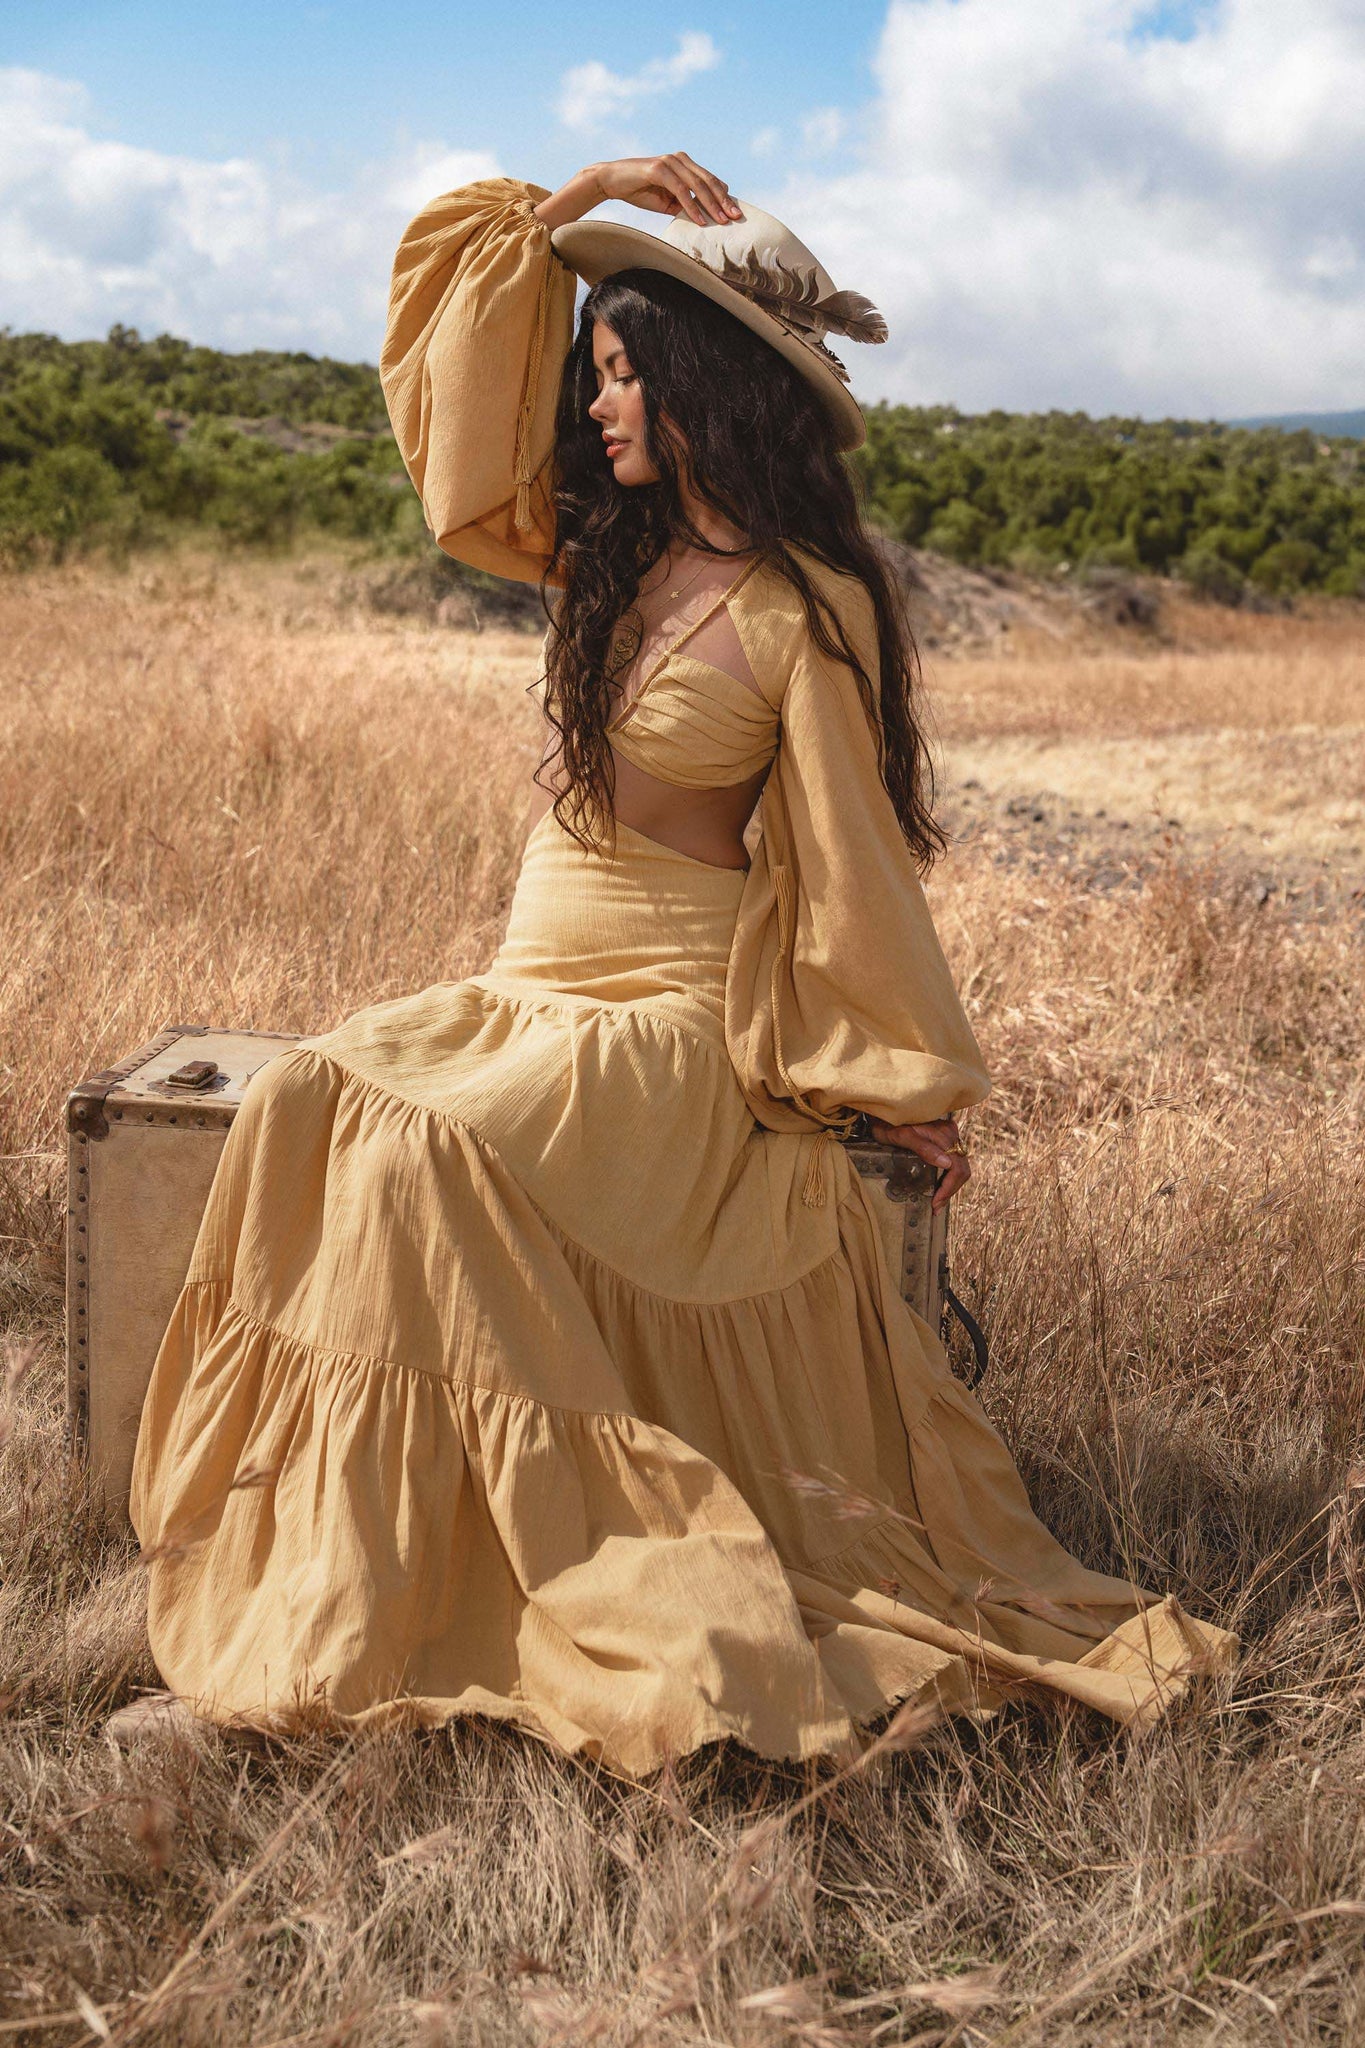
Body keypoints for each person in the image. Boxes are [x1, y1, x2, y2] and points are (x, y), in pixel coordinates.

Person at [121, 153, 1234, 1771]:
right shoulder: (607, 557)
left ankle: (551, 1556)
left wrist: (899, 1082)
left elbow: (853, 870)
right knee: (320, 1090)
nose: (603, 406)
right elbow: (450, 368)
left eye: (631, 371)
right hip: (534, 987)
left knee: (426, 1137)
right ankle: (365, 1559)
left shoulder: (809, 605)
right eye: (597, 372)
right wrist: (578, 195)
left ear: (713, 386)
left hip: (667, 1016)